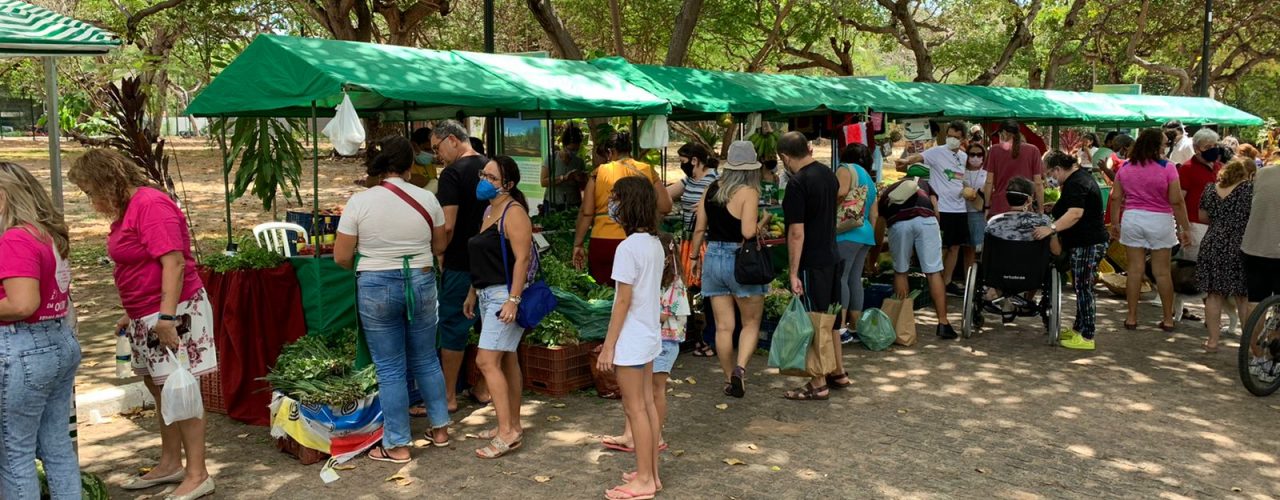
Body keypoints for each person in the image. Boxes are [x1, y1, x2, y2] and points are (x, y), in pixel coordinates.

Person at [69, 149, 217, 499]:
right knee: (159, 386)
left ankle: (198, 473)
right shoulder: (128, 209)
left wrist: (166, 317)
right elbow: (137, 265)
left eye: (91, 191)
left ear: (108, 182)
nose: (91, 201)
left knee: (180, 388)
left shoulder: (150, 204)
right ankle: (171, 463)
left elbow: (175, 263)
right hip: (146, 313)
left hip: (173, 311)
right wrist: (131, 313)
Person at [333, 136, 451, 463]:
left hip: (375, 284)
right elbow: (440, 246)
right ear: (410, 165)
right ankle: (440, 428)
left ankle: (398, 444)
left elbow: (341, 257)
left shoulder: (360, 202)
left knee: (390, 368)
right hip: (422, 280)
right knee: (427, 358)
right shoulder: (427, 199)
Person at [0, 163, 79, 500]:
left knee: (14, 453)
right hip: (58, 341)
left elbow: (22, 304)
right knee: (56, 445)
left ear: (4, 196)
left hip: (23, 347)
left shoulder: (14, 238)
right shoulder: (45, 233)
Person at [594, 176, 664, 500]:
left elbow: (621, 302)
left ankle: (645, 480)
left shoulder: (627, 248)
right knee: (646, 405)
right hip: (647, 335)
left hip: (632, 339)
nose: (612, 204)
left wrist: (608, 347)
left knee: (636, 408)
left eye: (616, 198)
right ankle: (651, 474)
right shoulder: (653, 243)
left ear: (629, 204)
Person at [463, 156, 534, 459]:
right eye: (484, 174)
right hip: (485, 293)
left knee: (486, 361)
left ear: (509, 184)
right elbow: (483, 255)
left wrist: (513, 300)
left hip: (503, 297)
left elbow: (523, 259)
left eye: (492, 177)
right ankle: (511, 424)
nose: (485, 181)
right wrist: (471, 293)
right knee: (506, 361)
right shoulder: (490, 210)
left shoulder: (514, 212)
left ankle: (508, 432)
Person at [690, 141, 766, 398]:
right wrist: (761, 223)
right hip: (740, 260)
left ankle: (727, 377)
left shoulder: (711, 189)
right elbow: (747, 231)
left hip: (713, 257)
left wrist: (693, 257)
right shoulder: (749, 192)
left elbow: (699, 227)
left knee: (723, 327)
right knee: (751, 322)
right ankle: (740, 370)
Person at [602, 233, 687, 455]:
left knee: (654, 392)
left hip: (665, 341)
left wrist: (639, 307)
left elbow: (667, 313)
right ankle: (632, 435)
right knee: (638, 394)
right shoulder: (653, 278)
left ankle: (655, 436)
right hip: (652, 339)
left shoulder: (675, 283)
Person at [777, 132, 846, 401]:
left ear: (784, 157)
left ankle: (818, 383)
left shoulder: (797, 184)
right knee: (831, 320)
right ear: (807, 149)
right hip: (831, 255)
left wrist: (793, 272)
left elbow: (796, 232)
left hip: (812, 261)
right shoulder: (829, 175)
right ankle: (838, 371)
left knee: (812, 322)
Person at [431, 120, 491, 412]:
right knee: (489, 327)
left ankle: (448, 397)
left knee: (453, 326)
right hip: (492, 263)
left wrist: (438, 252)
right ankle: (483, 388)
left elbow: (449, 224)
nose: (436, 154)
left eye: (437, 147)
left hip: (460, 263)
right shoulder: (491, 166)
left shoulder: (452, 174)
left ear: (452, 140)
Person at [1109, 129, 1193, 332]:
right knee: (1162, 272)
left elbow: (1115, 197)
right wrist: (1185, 227)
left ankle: (1131, 317)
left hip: (1133, 218)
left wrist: (1115, 224)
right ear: (1156, 146)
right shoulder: (1168, 168)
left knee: (1135, 270)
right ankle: (1167, 319)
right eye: (1164, 143)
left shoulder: (1126, 167)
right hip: (1160, 220)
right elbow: (1176, 200)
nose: (1166, 147)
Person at [572, 132, 673, 286]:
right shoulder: (646, 169)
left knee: (602, 293)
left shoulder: (599, 173)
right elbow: (666, 206)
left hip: (603, 242)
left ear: (610, 152)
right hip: (640, 240)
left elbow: (586, 212)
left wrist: (578, 244)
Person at [1034, 152, 1110, 350]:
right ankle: (1079, 328)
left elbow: (1076, 213)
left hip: (1088, 243)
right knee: (1080, 286)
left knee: (1084, 288)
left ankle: (1087, 335)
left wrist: (1051, 228)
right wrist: (1056, 208)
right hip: (1084, 242)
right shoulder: (1078, 179)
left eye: (1049, 173)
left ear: (1057, 169)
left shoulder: (1076, 182)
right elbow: (1070, 208)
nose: (1049, 178)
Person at [876, 176, 954, 340]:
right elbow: (936, 212)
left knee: (901, 271)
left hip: (899, 224)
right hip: (927, 220)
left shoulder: (886, 193)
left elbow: (879, 225)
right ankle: (943, 323)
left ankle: (905, 322)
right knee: (933, 272)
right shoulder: (925, 185)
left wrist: (874, 255)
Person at [902, 120, 972, 296]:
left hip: (959, 208)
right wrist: (905, 160)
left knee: (955, 247)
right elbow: (918, 158)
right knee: (939, 247)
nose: (952, 140)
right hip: (940, 208)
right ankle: (935, 281)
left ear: (963, 138)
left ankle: (947, 281)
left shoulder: (965, 157)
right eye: (949, 136)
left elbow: (966, 179)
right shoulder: (936, 152)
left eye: (956, 137)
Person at [1195, 158, 1256, 352]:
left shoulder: (1210, 189)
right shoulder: (1249, 190)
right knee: (1243, 296)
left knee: (1214, 295)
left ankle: (1212, 341)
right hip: (1241, 243)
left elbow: (1202, 217)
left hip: (1213, 242)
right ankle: (1247, 343)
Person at [834, 143, 879, 344]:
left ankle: (841, 327)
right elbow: (874, 213)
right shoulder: (869, 178)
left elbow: (841, 193)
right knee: (854, 279)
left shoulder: (845, 169)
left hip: (846, 232)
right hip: (865, 234)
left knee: (841, 278)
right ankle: (856, 325)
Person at [1242, 162, 1280, 378]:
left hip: (1254, 247)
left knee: (1255, 303)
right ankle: (1274, 358)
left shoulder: (1262, 173)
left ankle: (1256, 357)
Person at [984, 119, 1045, 216]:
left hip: (999, 207)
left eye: (999, 134)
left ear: (1003, 133)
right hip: (1024, 206)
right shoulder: (1033, 150)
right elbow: (1038, 183)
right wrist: (1041, 210)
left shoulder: (994, 150)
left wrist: (986, 207)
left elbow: (989, 182)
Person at [1179, 128, 1223, 255]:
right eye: (1208, 146)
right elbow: (1180, 199)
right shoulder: (1187, 169)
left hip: (1216, 224)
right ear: (1196, 148)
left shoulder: (1219, 167)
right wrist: (1183, 227)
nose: (1213, 149)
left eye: (1215, 145)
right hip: (1195, 225)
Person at [667, 142, 720, 234]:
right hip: (688, 235)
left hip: (707, 235)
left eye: (683, 162)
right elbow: (666, 193)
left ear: (694, 160)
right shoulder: (689, 179)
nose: (681, 166)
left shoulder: (715, 180)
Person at [541, 124, 588, 212]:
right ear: (564, 145)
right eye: (571, 149)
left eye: (576, 149)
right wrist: (564, 178)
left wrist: (580, 179)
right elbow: (543, 182)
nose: (573, 152)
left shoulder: (579, 162)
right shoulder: (552, 159)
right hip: (553, 203)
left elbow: (583, 187)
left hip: (574, 204)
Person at [963, 142, 989, 253]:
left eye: (979, 155)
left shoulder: (987, 173)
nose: (975, 157)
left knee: (981, 248)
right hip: (963, 212)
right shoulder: (961, 172)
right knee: (967, 250)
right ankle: (967, 270)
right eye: (972, 154)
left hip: (980, 213)